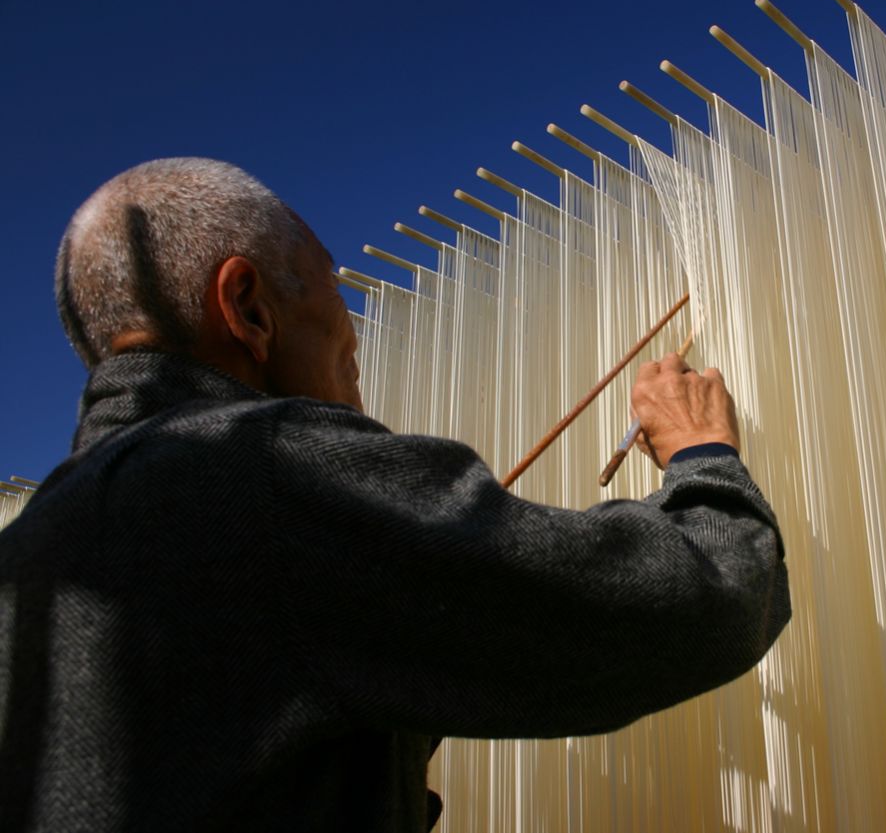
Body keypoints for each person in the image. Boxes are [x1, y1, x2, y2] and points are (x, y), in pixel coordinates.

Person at [0, 158, 790, 832]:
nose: (353, 341)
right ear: (246, 306)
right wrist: (701, 452)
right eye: (330, 285)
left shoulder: (32, 553)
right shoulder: (270, 476)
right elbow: (695, 607)